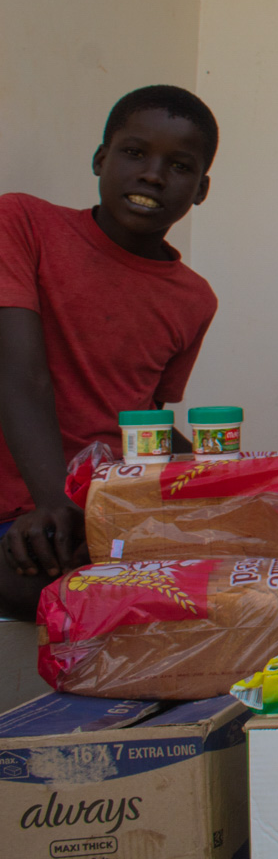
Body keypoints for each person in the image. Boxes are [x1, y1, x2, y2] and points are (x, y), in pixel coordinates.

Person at [0, 85, 221, 617]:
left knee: (236, 577)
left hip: (103, 514)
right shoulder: (23, 223)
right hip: (28, 509)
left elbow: (140, 417)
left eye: (179, 165)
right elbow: (19, 375)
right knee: (53, 584)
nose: (152, 174)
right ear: (101, 158)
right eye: (134, 153)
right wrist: (57, 504)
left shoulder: (194, 298)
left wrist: (224, 475)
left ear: (200, 189)